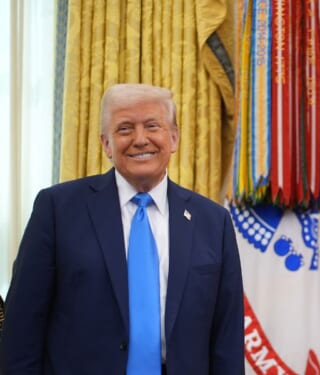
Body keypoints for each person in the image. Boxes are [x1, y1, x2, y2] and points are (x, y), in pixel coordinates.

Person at [1, 83, 244, 374]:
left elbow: (227, 338)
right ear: (106, 144)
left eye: (152, 126)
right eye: (125, 129)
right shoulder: (57, 209)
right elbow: (23, 327)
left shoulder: (213, 222)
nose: (140, 140)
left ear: (174, 138)